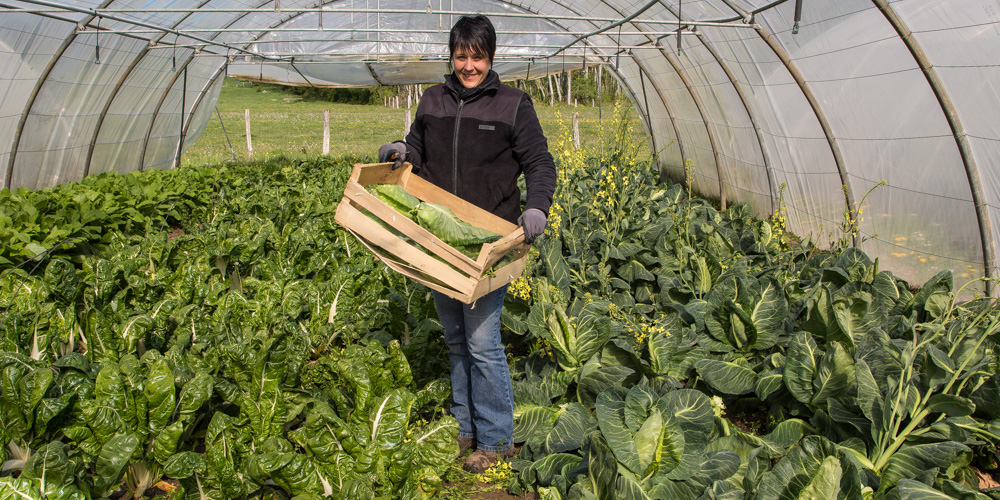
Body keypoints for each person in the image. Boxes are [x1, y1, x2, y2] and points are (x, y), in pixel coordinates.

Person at [377, 15, 556, 473]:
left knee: (482, 342)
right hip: (440, 238)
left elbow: (539, 161)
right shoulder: (433, 99)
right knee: (456, 339)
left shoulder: (513, 104)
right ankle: (465, 427)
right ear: (452, 55)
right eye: (461, 56)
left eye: (477, 56)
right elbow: (418, 149)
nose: (469, 66)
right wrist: (400, 150)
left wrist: (536, 207)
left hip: (488, 241)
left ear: (490, 57)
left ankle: (496, 441)